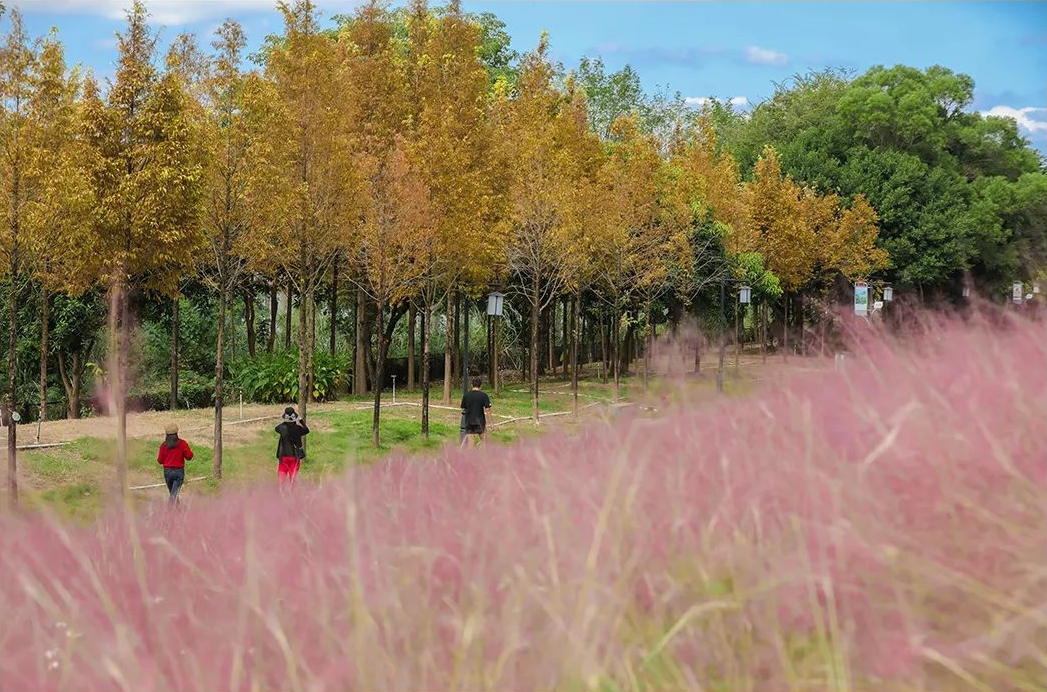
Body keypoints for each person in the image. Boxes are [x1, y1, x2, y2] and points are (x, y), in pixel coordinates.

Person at [157, 424, 193, 506]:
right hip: (178, 472)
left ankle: (177, 511)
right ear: (177, 433)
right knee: (174, 495)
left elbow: (160, 461)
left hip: (167, 472)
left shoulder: (163, 446)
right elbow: (189, 457)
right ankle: (170, 510)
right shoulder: (182, 444)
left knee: (173, 493)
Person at [274, 406, 309, 486]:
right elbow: (307, 430)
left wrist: (286, 421)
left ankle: (280, 492)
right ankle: (292, 493)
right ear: (295, 417)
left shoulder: (281, 428)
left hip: (283, 456)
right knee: (293, 477)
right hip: (294, 455)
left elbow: (276, 428)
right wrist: (300, 420)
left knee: (282, 475)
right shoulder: (298, 428)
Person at [460, 378, 492, 448]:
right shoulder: (484, 395)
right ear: (481, 386)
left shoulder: (466, 395)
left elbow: (463, 408)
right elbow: (488, 409)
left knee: (471, 443)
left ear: (472, 385)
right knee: (485, 441)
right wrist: (491, 423)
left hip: (469, 422)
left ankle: (470, 457)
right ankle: (482, 456)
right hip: (480, 422)